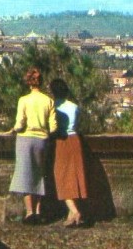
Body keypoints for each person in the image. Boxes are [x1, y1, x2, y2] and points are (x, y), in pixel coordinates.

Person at [8, 67, 56, 224]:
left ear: (28, 82)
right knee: (39, 175)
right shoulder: (48, 101)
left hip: (25, 139)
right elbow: (53, 127)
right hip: (42, 140)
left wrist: (13, 130)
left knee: (26, 175)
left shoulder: (24, 100)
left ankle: (29, 213)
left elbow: (20, 123)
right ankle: (38, 210)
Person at [50, 78, 88, 227]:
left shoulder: (53, 106)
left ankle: (75, 211)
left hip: (61, 141)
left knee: (61, 177)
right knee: (74, 177)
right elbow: (78, 124)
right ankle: (71, 215)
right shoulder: (74, 106)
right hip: (75, 140)